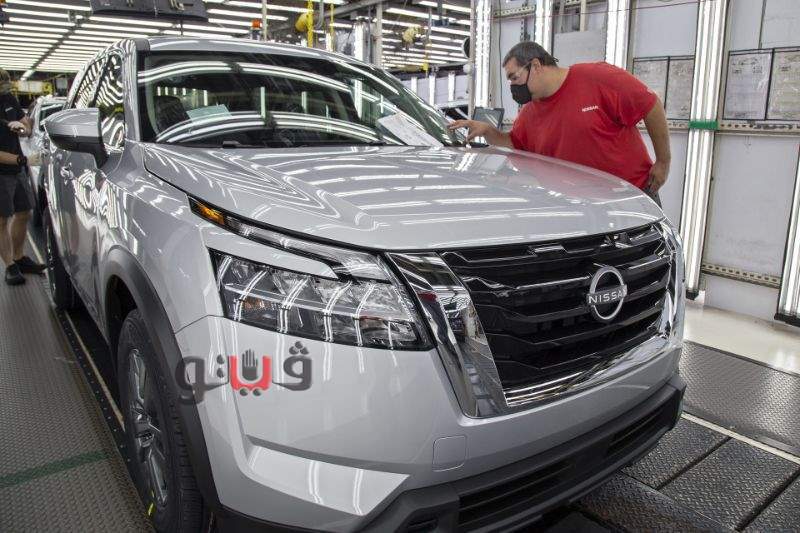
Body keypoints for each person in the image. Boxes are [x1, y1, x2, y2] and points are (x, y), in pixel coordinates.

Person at [449, 41, 671, 205]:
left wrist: (663, 161)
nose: (513, 87)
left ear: (536, 66)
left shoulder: (597, 77)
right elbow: (516, 145)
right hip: (584, 205)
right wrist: (488, 131)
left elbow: (650, 105)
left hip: (632, 195)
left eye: (514, 78)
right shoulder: (529, 113)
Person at [0, 68, 45, 286]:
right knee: (2, 220)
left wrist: (24, 129)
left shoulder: (8, 98)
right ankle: (9, 266)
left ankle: (19, 257)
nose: (5, 88)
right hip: (2, 172)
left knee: (24, 212)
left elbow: (25, 120)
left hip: (16, 170)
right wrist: (24, 160)